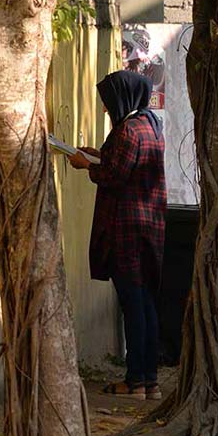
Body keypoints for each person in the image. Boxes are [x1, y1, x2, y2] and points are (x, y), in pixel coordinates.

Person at [68, 70, 166, 400]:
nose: (107, 110)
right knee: (145, 303)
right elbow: (129, 165)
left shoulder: (128, 130)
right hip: (148, 227)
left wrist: (87, 166)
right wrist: (97, 153)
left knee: (132, 306)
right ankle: (149, 380)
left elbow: (115, 174)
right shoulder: (150, 125)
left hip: (126, 229)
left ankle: (135, 381)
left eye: (109, 103)